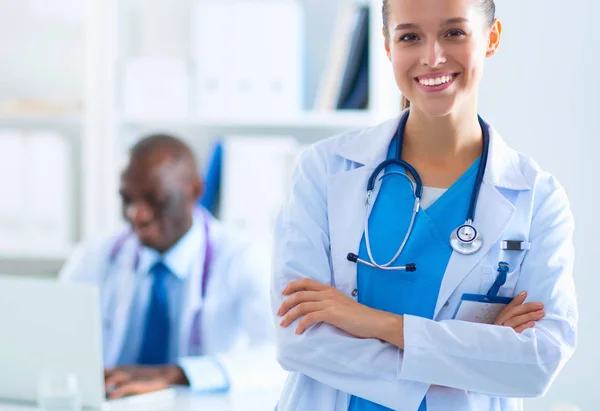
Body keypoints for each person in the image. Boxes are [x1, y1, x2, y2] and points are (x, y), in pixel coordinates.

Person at [271, 0, 577, 410]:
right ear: (387, 46)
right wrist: (475, 358)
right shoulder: (325, 170)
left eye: (454, 33)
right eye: (410, 37)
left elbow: (539, 361)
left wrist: (375, 323)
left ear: (491, 38)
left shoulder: (537, 197)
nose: (432, 57)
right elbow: (297, 339)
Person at [60, 134, 278, 398]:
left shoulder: (242, 258)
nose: (137, 214)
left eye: (157, 200)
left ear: (196, 191)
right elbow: (52, 334)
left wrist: (175, 374)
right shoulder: (97, 255)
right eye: (127, 200)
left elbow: (279, 357)